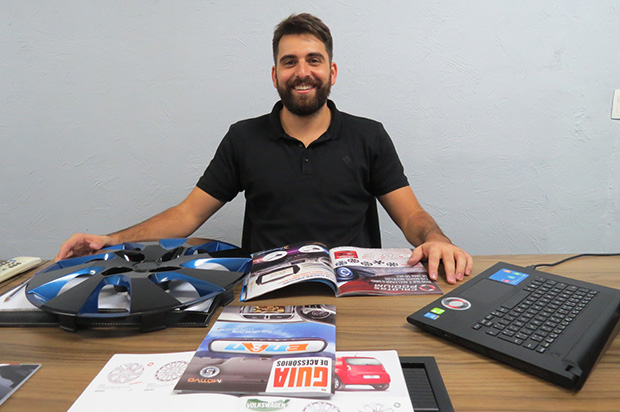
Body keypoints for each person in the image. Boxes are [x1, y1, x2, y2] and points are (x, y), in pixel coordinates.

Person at [56, 13, 473, 284]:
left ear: (332, 72)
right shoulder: (243, 138)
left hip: (353, 291)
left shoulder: (369, 136)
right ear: (275, 75)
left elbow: (411, 215)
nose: (302, 72)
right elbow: (186, 215)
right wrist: (110, 240)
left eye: (313, 60)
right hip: (266, 293)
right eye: (290, 62)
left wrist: (437, 239)